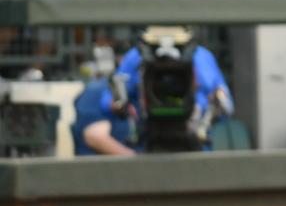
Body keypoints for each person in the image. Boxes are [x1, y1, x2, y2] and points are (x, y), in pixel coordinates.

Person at [73, 30, 233, 155]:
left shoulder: (201, 58)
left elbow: (225, 106)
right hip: (149, 143)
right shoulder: (136, 57)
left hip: (193, 146)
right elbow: (110, 106)